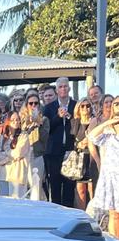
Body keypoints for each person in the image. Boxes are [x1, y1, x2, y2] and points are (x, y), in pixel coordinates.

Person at [87, 96, 119, 232]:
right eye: (116, 103)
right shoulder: (108, 132)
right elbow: (92, 136)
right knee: (114, 213)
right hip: (111, 176)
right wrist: (108, 122)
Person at [44, 76, 76, 206]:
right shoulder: (49, 107)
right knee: (55, 185)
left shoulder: (76, 105)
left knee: (69, 186)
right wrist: (58, 117)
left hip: (70, 151)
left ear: (69, 88)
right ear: (56, 90)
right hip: (54, 152)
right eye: (60, 87)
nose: (63, 89)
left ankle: (69, 213)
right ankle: (56, 213)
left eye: (65, 86)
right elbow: (46, 129)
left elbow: (78, 126)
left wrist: (69, 117)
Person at [20, 90, 49, 201]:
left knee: (36, 185)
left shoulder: (45, 120)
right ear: (26, 105)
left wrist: (39, 124)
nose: (33, 105)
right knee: (23, 185)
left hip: (37, 155)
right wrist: (27, 124)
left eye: (36, 103)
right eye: (30, 103)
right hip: (23, 156)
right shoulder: (21, 119)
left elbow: (44, 139)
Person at [0, 112, 30, 198]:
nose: (15, 122)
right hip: (3, 175)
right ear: (8, 122)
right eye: (12, 120)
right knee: (2, 203)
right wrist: (11, 156)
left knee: (16, 205)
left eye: (17, 119)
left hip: (16, 174)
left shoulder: (24, 136)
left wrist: (5, 155)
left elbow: (18, 153)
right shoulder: (3, 137)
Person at [70, 98, 94, 209]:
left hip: (92, 158)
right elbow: (72, 140)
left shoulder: (95, 121)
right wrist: (79, 144)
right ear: (78, 108)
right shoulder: (75, 122)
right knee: (81, 191)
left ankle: (95, 215)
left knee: (92, 189)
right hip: (79, 159)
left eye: (88, 105)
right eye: (82, 106)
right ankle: (82, 215)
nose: (85, 108)